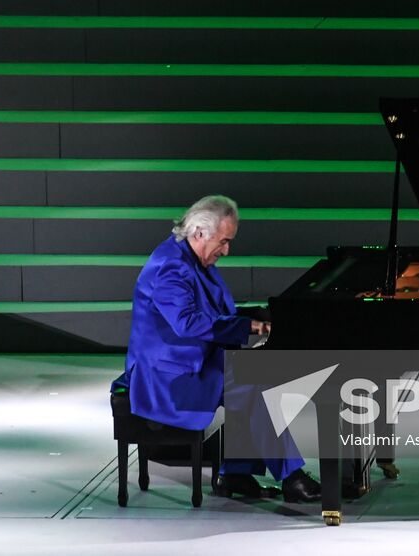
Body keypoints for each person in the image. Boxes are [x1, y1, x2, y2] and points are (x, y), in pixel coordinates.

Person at [113, 194, 321, 503]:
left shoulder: (192, 259)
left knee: (250, 379)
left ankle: (237, 473)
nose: (227, 250)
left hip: (190, 364)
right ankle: (288, 476)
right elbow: (187, 322)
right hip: (166, 379)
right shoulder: (170, 267)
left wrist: (257, 315)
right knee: (248, 382)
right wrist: (250, 326)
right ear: (198, 233)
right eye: (223, 242)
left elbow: (213, 311)